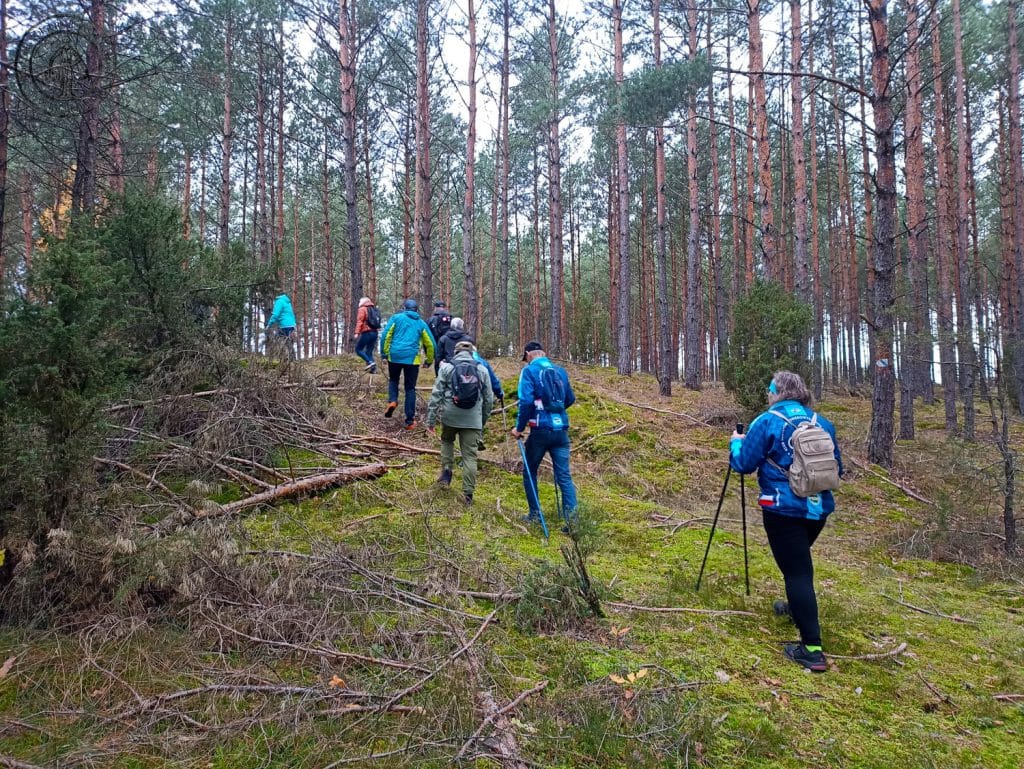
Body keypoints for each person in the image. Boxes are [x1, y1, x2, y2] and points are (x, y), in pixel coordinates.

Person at [729, 370, 843, 673]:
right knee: (799, 566)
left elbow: (743, 464)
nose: (767, 394)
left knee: (797, 573)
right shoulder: (821, 422)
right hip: (819, 509)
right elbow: (838, 468)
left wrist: (735, 443)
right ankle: (796, 609)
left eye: (770, 389)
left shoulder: (766, 421)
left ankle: (812, 649)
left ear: (776, 391)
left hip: (782, 510)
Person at [510, 341, 577, 528]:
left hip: (540, 430)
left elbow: (525, 402)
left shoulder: (529, 372)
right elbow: (570, 399)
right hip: (561, 429)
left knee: (529, 471)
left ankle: (535, 514)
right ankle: (572, 521)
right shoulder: (560, 371)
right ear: (544, 353)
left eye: (525, 358)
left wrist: (519, 428)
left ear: (528, 355)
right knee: (564, 476)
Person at [425, 340, 495, 505]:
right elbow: (489, 399)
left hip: (450, 416)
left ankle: (447, 471)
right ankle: (468, 495)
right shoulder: (482, 369)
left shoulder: (447, 368)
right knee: (470, 456)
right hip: (473, 419)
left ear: (455, 352)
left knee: (447, 440)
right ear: (472, 353)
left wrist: (431, 419)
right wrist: (481, 420)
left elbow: (436, 394)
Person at [380, 298, 435, 429]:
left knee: (393, 380)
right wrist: (428, 360)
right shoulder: (421, 323)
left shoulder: (396, 318)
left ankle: (393, 400)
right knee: (410, 388)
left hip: (395, 356)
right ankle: (409, 421)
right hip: (412, 359)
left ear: (404, 308)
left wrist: (384, 353)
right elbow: (430, 344)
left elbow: (386, 335)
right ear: (417, 310)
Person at [265, 291, 297, 358]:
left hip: (284, 326)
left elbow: (275, 315)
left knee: (279, 342)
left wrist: (269, 324)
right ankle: (291, 359)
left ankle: (282, 359)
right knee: (289, 343)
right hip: (291, 325)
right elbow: (291, 314)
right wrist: (294, 324)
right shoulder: (287, 302)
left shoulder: (279, 301)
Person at [354, 296, 381, 373]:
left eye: (360, 301)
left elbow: (360, 321)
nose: (359, 303)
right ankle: (373, 370)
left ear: (363, 302)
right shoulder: (374, 309)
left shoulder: (362, 309)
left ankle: (370, 363)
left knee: (358, 349)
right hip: (375, 333)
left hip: (366, 332)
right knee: (369, 352)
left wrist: (356, 333)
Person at [427, 301, 453, 374]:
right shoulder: (451, 318)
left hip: (437, 348)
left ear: (435, 308)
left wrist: (428, 356)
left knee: (438, 366)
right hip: (451, 348)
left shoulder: (431, 319)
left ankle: (439, 380)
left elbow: (427, 337)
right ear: (444, 308)